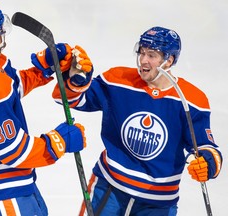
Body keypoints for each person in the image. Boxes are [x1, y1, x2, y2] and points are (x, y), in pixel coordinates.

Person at [51, 27, 223, 215]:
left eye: (152, 55)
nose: (143, 60)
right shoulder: (117, 81)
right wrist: (77, 78)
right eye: (142, 52)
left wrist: (208, 163)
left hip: (157, 204)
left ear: (169, 60)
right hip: (109, 188)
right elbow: (69, 99)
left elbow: (206, 146)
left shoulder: (191, 100)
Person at [0, 4, 87, 216]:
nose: (5, 32)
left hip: (2, 179)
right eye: (0, 29)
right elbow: (13, 151)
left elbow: (11, 87)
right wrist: (60, 141)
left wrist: (45, 69)